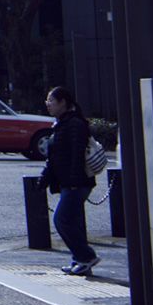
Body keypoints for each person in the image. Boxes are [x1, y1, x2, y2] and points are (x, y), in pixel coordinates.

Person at [41, 86, 99, 275]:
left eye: (51, 100)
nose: (47, 104)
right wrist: (45, 178)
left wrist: (74, 181)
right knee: (73, 222)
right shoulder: (61, 123)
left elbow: (76, 155)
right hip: (69, 182)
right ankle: (80, 261)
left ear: (63, 102)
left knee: (61, 220)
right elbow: (55, 156)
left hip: (77, 183)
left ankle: (86, 256)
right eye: (47, 100)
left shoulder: (74, 124)